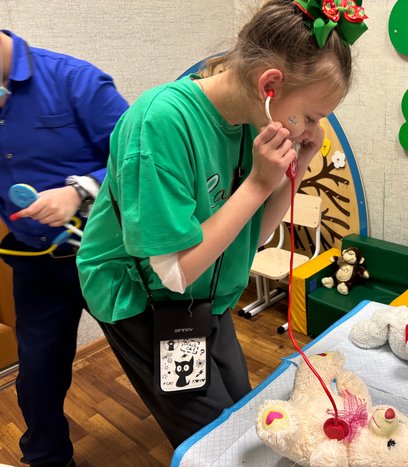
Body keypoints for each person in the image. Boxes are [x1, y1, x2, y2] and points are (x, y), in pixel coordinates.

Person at [76, 0, 368, 448]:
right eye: (310, 117)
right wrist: (258, 182)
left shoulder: (253, 119)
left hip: (206, 292)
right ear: (269, 85)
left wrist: (299, 162)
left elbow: (255, 234)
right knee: (211, 436)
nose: (312, 128)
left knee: (243, 411)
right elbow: (175, 271)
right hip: (141, 295)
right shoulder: (161, 122)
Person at [0, 30, 128, 466]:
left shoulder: (76, 80)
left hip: (108, 256)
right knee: (37, 378)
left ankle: (199, 447)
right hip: (35, 265)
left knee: (154, 360)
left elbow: (143, 156)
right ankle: (47, 459)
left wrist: (80, 191)